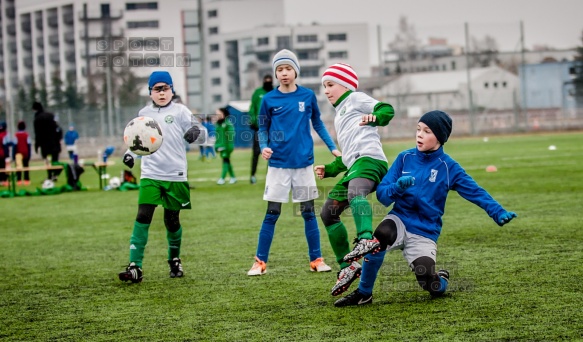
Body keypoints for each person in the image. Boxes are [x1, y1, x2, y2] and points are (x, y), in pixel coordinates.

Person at [333, 110, 517, 307]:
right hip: (400, 219)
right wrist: (397, 188)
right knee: (379, 237)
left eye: (427, 131)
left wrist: (497, 211)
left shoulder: (448, 167)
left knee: (431, 285)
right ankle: (364, 293)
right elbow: (382, 195)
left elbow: (475, 192)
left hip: (425, 231)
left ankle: (441, 279)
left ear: (440, 137)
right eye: (418, 129)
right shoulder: (405, 158)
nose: (419, 134)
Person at [247, 49, 341, 276]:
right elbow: (262, 127)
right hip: (278, 165)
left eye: (288, 68)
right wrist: (265, 146)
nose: (284, 73)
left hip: (304, 164)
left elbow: (317, 123)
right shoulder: (268, 99)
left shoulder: (307, 96)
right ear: (275, 73)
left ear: (295, 71)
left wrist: (332, 147)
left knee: (308, 212)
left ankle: (317, 260)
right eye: (280, 69)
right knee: (272, 212)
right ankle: (259, 262)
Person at [314, 63, 395, 296]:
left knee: (355, 193)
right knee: (328, 212)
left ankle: (366, 239)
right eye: (324, 86)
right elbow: (348, 156)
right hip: (356, 164)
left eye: (330, 85)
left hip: (371, 161)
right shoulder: (339, 115)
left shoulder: (356, 98)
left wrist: (375, 117)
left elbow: (387, 110)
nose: (326, 91)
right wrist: (329, 169)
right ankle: (347, 266)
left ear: (346, 84)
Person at [118, 71, 206, 283]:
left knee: (172, 221)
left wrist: (195, 132)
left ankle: (174, 259)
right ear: (150, 92)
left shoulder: (181, 111)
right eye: (157, 89)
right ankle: (134, 266)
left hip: (175, 175)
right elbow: (137, 139)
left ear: (172, 90)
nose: (162, 93)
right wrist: (130, 155)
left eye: (165, 88)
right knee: (142, 217)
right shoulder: (144, 113)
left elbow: (202, 133)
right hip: (151, 174)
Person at [248, 74, 273, 184]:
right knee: (256, 152)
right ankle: (252, 175)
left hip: (273, 129)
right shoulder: (258, 93)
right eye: (265, 80)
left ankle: (270, 175)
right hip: (259, 128)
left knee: (273, 153)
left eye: (269, 80)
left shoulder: (275, 92)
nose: (267, 82)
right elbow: (252, 108)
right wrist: (253, 121)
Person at [32, 101, 62, 181]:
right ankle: (55, 174)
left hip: (45, 143)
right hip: (55, 142)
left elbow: (37, 133)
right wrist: (59, 138)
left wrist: (37, 144)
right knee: (55, 159)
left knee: (47, 160)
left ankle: (49, 175)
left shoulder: (37, 119)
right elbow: (58, 128)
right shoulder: (51, 115)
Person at [214, 107, 236, 184]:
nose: (216, 115)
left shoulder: (227, 123)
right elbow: (217, 136)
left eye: (218, 113)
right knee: (227, 161)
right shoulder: (218, 124)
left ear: (223, 114)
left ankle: (222, 178)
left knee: (225, 161)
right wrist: (216, 146)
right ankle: (233, 177)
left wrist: (228, 147)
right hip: (220, 146)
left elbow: (231, 136)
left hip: (226, 146)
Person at [12, 121, 32, 185]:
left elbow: (15, 145)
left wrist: (13, 155)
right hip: (25, 152)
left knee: (18, 167)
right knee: (26, 166)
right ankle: (27, 180)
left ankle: (19, 180)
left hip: (18, 153)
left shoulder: (16, 135)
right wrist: (29, 154)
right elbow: (29, 144)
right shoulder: (26, 135)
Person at [0, 121, 8, 186]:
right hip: (2, 154)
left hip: (2, 153)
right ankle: (4, 180)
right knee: (3, 167)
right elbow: (5, 145)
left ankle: (2, 180)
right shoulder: (5, 135)